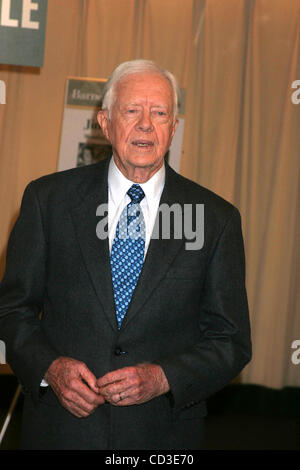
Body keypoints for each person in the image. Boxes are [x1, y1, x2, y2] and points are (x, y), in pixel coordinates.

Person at [0, 60, 251, 450]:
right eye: (132, 110)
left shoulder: (215, 219)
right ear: (105, 122)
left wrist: (163, 377)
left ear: (174, 127)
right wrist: (50, 368)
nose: (146, 124)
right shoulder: (47, 201)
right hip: (60, 432)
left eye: (160, 112)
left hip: (163, 438)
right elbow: (12, 310)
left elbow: (230, 341)